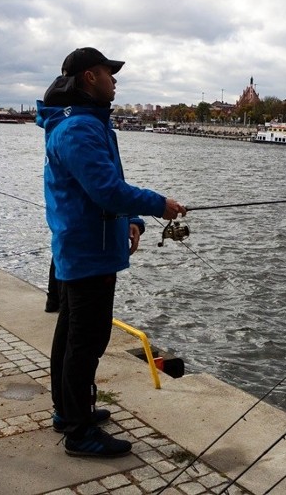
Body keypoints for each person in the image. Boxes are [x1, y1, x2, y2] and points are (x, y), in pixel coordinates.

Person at [36, 47, 186, 458]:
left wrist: (133, 217)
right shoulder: (80, 129)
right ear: (89, 77)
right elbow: (105, 190)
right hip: (89, 249)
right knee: (86, 341)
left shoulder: (80, 124)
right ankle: (79, 433)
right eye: (109, 73)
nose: (115, 80)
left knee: (70, 334)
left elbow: (106, 185)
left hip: (85, 243)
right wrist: (159, 204)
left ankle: (69, 412)